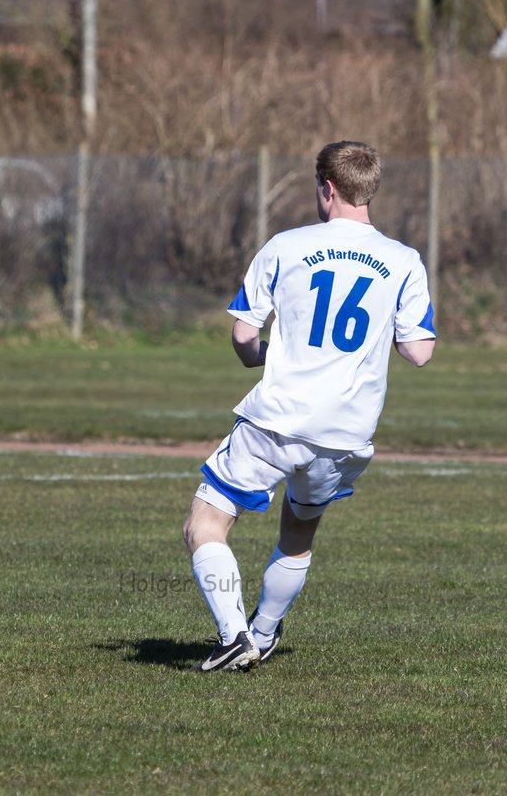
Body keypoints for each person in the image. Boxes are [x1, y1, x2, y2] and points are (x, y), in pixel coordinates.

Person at [183, 140, 437, 672]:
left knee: (205, 523)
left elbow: (243, 332)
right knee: (297, 535)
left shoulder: (286, 245)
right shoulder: (404, 261)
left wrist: (257, 357)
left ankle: (233, 636)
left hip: (278, 418)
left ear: (327, 188)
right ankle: (263, 633)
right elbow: (419, 352)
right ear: (370, 189)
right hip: (346, 434)